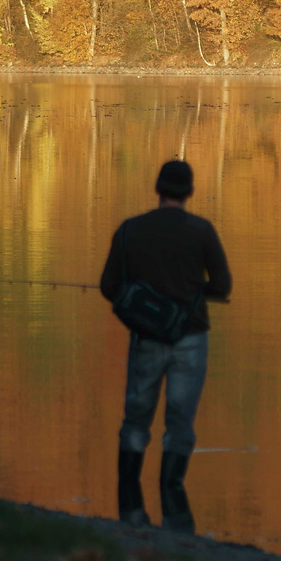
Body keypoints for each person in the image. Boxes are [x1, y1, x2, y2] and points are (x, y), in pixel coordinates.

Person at [99, 160, 231, 532]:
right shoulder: (202, 231)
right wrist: (193, 295)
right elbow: (223, 285)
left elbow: (109, 286)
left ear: (157, 189)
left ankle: (128, 494)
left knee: (136, 416)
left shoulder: (130, 230)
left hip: (146, 337)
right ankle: (171, 491)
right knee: (180, 421)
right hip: (191, 336)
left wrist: (141, 306)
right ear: (188, 192)